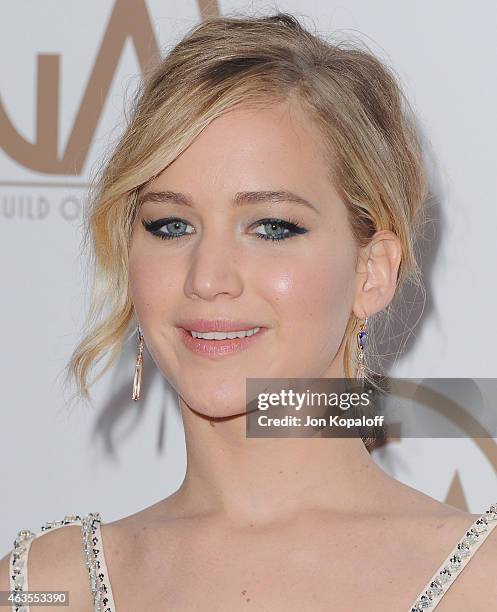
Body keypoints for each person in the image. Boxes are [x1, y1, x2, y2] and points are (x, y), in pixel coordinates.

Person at [1, 12, 496, 612]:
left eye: (272, 227)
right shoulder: (44, 588)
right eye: (171, 224)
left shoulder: (481, 580)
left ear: (372, 271)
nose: (207, 278)